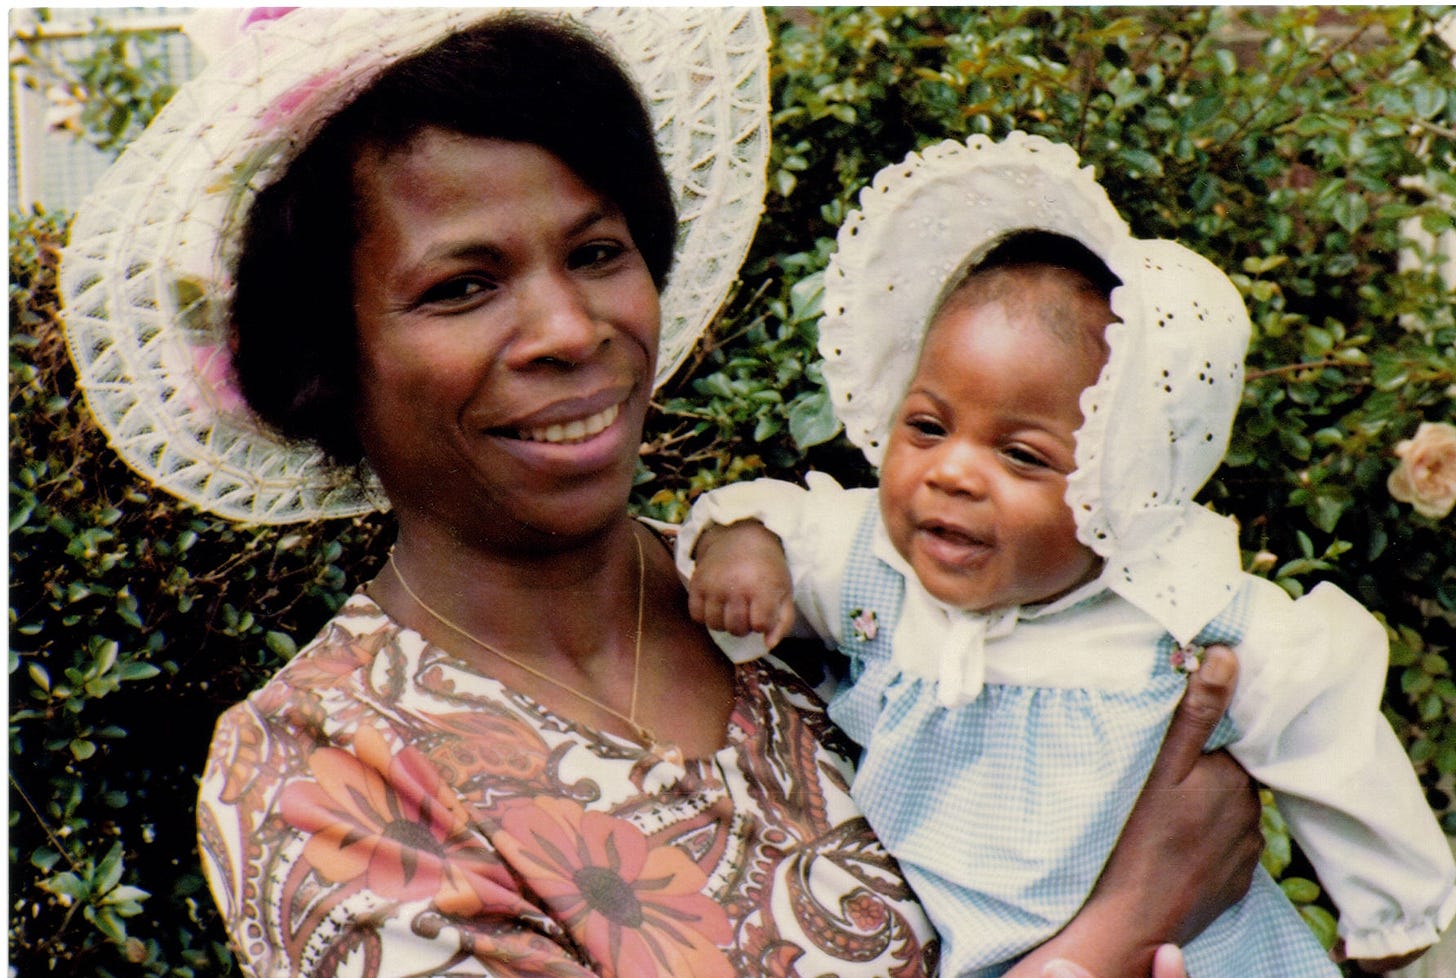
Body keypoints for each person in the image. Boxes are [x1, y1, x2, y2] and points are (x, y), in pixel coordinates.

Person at [59, 12, 1264, 978]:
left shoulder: (796, 593)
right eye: (462, 287)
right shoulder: (326, 775)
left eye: (596, 253)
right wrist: (1114, 932)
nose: (572, 329)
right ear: (330, 367)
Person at [679, 133, 1456, 978]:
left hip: (1189, 955)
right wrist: (744, 546)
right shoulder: (878, 571)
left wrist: (1394, 915)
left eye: (1022, 456)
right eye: (928, 426)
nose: (951, 474)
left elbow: (1332, 741)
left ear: (1122, 480)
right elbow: (780, 520)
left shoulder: (1189, 623)